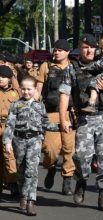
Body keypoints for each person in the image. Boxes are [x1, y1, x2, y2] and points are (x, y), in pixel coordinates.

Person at [58, 33, 103, 211]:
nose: (90, 50)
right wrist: (63, 118)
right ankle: (81, 180)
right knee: (81, 157)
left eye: (92, 47)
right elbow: (64, 94)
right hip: (84, 118)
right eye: (86, 47)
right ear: (80, 48)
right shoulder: (72, 68)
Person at [3, 76, 60, 216]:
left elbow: (45, 123)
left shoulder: (40, 105)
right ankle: (23, 194)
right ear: (20, 89)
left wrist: (59, 127)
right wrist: (7, 142)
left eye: (29, 89)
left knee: (32, 171)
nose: (26, 92)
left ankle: (30, 200)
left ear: (35, 90)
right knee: (21, 171)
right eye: (23, 89)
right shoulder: (15, 105)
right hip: (19, 140)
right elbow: (10, 125)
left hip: (35, 140)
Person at [35, 39, 76, 196]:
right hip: (51, 112)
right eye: (55, 49)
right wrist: (34, 106)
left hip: (69, 113)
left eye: (60, 50)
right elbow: (39, 90)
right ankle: (51, 168)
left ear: (67, 52)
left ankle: (67, 179)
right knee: (50, 149)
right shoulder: (46, 66)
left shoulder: (73, 67)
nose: (56, 52)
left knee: (68, 148)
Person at [0, 65, 19, 197]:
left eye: (4, 77)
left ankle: (13, 183)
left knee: (9, 156)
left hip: (9, 126)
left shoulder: (16, 93)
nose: (0, 79)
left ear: (10, 79)